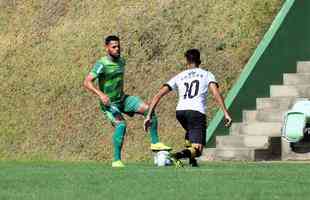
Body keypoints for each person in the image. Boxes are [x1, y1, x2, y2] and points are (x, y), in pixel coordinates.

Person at [84, 35, 171, 168]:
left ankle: (155, 143)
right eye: (114, 47)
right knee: (121, 125)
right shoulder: (102, 64)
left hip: (123, 99)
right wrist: (101, 94)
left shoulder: (122, 61)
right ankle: (116, 160)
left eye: (118, 46)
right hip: (109, 104)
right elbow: (87, 82)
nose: (117, 49)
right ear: (107, 48)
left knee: (149, 110)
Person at [144, 49, 232, 167]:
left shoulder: (180, 76)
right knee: (198, 150)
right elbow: (215, 93)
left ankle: (192, 161)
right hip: (196, 112)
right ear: (199, 60)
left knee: (190, 132)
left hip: (180, 112)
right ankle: (175, 156)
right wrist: (225, 113)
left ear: (187, 61)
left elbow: (158, 95)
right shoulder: (206, 74)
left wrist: (148, 115)